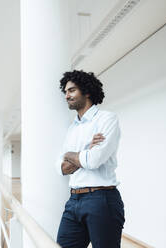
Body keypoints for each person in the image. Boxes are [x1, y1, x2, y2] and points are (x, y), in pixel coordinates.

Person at [56, 70, 125, 248]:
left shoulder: (107, 119)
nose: (66, 96)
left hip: (101, 199)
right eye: (65, 92)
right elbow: (61, 167)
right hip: (73, 200)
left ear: (86, 91)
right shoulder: (72, 128)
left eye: (71, 90)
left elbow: (93, 161)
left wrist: (72, 155)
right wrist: (85, 150)